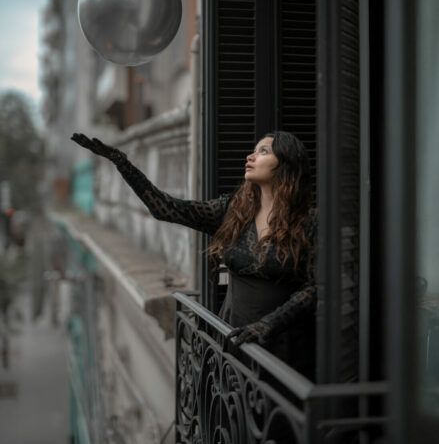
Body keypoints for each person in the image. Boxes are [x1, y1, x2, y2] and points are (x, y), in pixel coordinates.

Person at [71, 131, 317, 376]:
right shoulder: (234, 211)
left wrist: (268, 325)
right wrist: (121, 162)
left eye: (263, 151)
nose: (250, 157)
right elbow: (164, 208)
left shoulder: (309, 223)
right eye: (254, 150)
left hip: (283, 350)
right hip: (234, 344)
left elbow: (315, 288)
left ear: (286, 163)